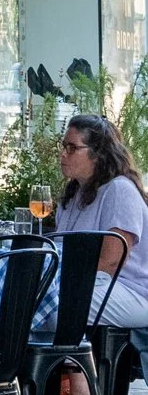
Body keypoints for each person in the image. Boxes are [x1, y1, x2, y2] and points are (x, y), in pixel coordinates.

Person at [56, 113, 148, 356]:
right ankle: (52, 383)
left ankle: (79, 387)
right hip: (91, 284)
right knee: (28, 297)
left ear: (98, 154)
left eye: (72, 147)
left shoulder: (119, 190)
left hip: (133, 290)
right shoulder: (75, 193)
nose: (63, 154)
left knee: (56, 305)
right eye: (63, 146)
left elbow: (111, 261)